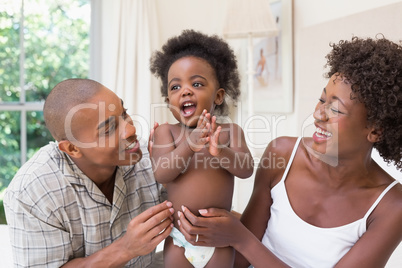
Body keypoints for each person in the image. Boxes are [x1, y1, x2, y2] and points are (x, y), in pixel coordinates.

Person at [176, 35, 402, 268]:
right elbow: (241, 261)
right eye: (321, 100)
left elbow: (246, 243)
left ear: (375, 130)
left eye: (335, 108)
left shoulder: (391, 206)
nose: (318, 114)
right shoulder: (282, 155)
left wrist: (240, 238)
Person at [4, 78, 174, 267]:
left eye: (124, 113)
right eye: (109, 129)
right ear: (72, 148)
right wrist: (125, 248)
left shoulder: (150, 159)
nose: (131, 130)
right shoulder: (33, 191)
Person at [149, 29, 254, 267]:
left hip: (219, 238)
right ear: (168, 101)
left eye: (196, 84)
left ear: (218, 97)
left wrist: (222, 152)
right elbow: (161, 173)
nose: (185, 91)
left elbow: (246, 169)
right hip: (178, 238)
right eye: (175, 87)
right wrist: (190, 144)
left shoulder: (230, 132)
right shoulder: (166, 132)